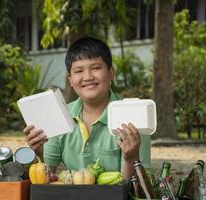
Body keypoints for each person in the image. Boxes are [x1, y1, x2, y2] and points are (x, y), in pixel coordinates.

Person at [23, 36, 151, 179]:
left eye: (96, 68)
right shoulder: (59, 115)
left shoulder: (133, 118)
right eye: (78, 71)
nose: (88, 76)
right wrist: (38, 154)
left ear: (111, 73)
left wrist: (130, 159)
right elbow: (46, 178)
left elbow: (140, 188)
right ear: (70, 79)